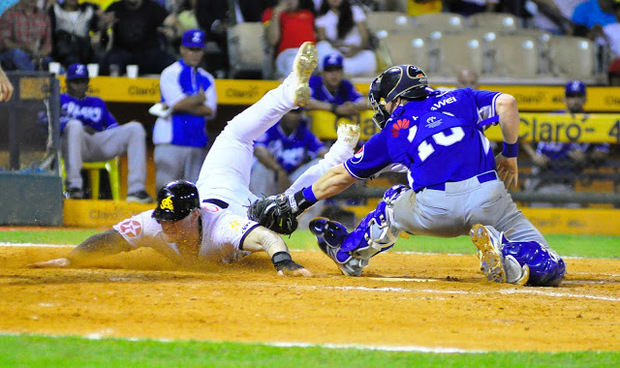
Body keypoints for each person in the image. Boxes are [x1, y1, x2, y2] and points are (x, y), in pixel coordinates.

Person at [29, 42, 361, 276]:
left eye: (175, 220)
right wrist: (72, 260)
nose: (167, 226)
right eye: (164, 219)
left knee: (234, 134)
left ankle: (288, 93)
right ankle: (341, 151)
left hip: (236, 206)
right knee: (291, 203)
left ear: (195, 215)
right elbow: (111, 239)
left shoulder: (221, 228)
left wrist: (284, 263)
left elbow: (266, 238)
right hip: (215, 185)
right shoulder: (156, 222)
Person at [249, 64, 567, 287]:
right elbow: (508, 104)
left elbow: (340, 178)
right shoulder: (461, 98)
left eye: (384, 102)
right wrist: (510, 156)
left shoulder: (393, 130)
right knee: (552, 264)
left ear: (396, 98)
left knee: (394, 202)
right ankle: (510, 252)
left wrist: (296, 203)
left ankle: (350, 255)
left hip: (435, 209)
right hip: (490, 199)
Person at [60, 63, 153, 203]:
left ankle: (136, 190)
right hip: (73, 145)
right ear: (67, 83)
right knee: (74, 126)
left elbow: (113, 128)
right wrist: (79, 126)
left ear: (87, 83)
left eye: (82, 81)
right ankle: (74, 187)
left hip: (97, 142)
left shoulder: (97, 102)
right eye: (75, 81)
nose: (79, 85)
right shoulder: (59, 99)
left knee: (135, 128)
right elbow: (47, 125)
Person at [521, 80, 609, 207]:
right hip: (542, 178)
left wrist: (586, 157)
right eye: (571, 96)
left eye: (579, 96)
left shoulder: (593, 122)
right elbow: (520, 134)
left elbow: (603, 151)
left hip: (567, 184)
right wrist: (534, 155)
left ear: (585, 99)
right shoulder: (550, 118)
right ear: (565, 99)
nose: (575, 100)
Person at [152, 29, 217, 191]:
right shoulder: (170, 72)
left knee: (194, 196)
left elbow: (210, 110)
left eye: (198, 50)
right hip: (170, 140)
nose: (195, 54)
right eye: (191, 49)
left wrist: (184, 104)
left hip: (196, 142)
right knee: (166, 193)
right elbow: (178, 104)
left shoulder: (207, 78)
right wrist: (198, 99)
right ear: (182, 50)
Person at [100, 0, 176, 75]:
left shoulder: (153, 7)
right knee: (109, 62)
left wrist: (172, 30)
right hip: (121, 52)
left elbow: (173, 23)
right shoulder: (115, 7)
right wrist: (105, 24)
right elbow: (101, 27)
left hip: (148, 52)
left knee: (171, 65)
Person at [315, 0, 377, 77]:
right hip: (336, 55)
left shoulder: (355, 10)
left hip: (357, 54)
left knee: (369, 56)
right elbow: (323, 39)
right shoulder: (322, 17)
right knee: (322, 46)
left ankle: (342, 72)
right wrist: (339, 47)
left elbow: (365, 36)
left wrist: (356, 49)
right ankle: (336, 72)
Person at [263, 0, 317, 78]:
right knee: (294, 63)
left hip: (310, 55)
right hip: (288, 55)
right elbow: (272, 40)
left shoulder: (308, 14)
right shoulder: (270, 13)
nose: (290, 1)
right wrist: (276, 13)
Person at [306, 53, 369, 117]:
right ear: (322, 73)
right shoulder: (313, 82)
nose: (334, 74)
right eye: (329, 70)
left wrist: (354, 106)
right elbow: (306, 102)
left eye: (337, 70)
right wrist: (335, 108)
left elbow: (362, 102)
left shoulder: (346, 85)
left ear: (342, 72)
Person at [0, 0, 52, 71]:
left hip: (35, 54)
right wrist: (25, 46)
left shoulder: (44, 16)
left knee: (50, 62)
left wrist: (40, 53)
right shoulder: (9, 14)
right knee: (18, 54)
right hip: (12, 54)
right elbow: (4, 43)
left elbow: (48, 45)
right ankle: (33, 78)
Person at [48, 0, 101, 67]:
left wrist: (98, 33)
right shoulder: (56, 10)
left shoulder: (88, 11)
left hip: (84, 49)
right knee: (72, 60)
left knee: (99, 60)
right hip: (63, 50)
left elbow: (97, 28)